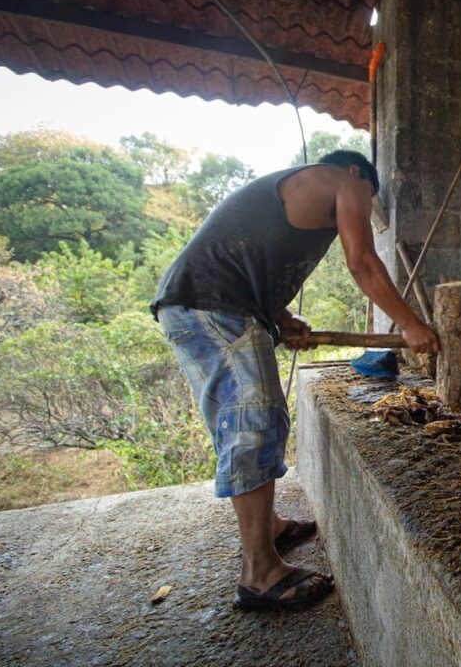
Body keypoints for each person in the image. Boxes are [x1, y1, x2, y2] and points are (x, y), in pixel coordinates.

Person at [151, 151, 439, 609]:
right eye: (368, 196)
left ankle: (268, 529)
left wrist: (281, 318)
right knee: (254, 424)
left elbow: (244, 260)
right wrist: (410, 324)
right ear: (355, 173)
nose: (364, 205)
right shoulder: (345, 181)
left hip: (206, 304)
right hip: (213, 307)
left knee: (250, 422)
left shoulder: (294, 194)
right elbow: (362, 262)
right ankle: (260, 575)